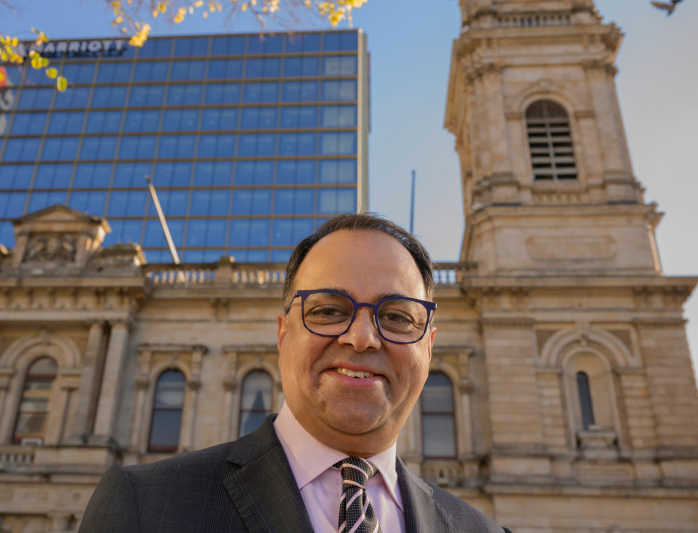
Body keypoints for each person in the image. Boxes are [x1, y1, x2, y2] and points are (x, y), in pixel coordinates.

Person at [79, 213, 510, 533]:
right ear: (283, 333)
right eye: (327, 310)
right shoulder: (144, 507)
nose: (362, 338)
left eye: (397, 316)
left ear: (429, 347)